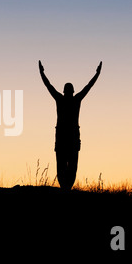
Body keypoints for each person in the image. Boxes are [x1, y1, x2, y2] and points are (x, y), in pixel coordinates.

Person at [39, 60, 102, 190]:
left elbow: (48, 85)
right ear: (72, 91)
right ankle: (65, 187)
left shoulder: (61, 99)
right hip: (69, 136)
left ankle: (65, 187)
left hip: (66, 136)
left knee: (65, 164)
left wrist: (42, 73)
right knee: (69, 164)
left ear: (65, 91)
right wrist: (97, 74)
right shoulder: (74, 99)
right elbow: (88, 86)